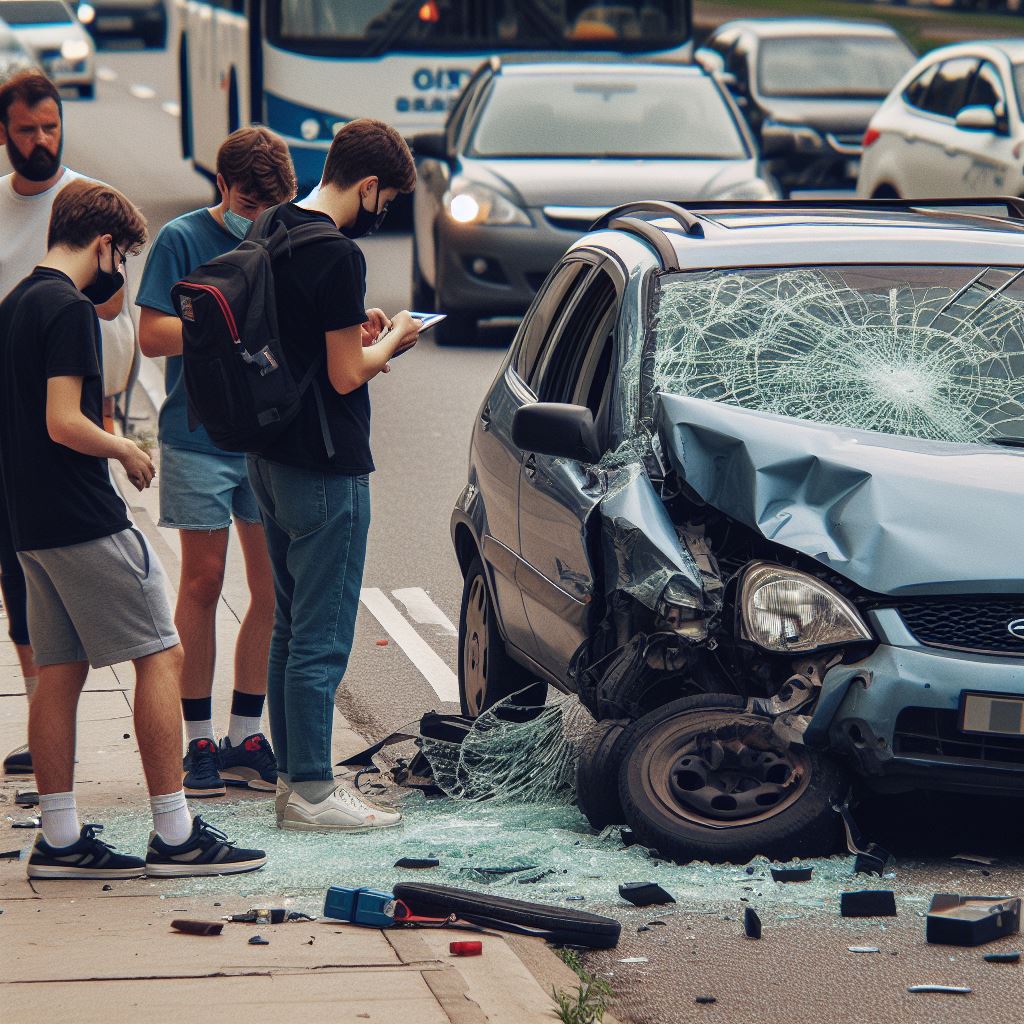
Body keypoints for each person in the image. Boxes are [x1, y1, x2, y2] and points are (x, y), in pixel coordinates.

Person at [0, 179, 266, 878]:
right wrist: (123, 448)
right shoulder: (66, 310)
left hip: (29, 522)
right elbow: (64, 418)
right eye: (123, 259)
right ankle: (175, 833)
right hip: (84, 516)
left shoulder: (15, 304)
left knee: (59, 672)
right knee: (160, 652)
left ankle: (59, 840)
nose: (121, 274)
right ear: (105, 246)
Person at [246, 118, 420, 831]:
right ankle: (315, 792)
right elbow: (347, 374)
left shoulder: (275, 227)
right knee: (321, 636)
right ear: (369, 186)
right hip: (326, 465)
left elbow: (306, 339)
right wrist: (397, 340)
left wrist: (357, 327)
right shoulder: (338, 255)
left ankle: (294, 780)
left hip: (269, 457)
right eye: (388, 201)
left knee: (290, 625)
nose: (384, 215)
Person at [137, 127, 296, 799]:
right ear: (224, 188)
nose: (256, 216)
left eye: (269, 204)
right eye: (248, 201)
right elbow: (150, 334)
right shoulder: (181, 239)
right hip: (198, 436)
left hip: (265, 438)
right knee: (202, 584)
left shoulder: (283, 235)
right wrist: (226, 329)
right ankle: (198, 741)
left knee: (270, 589)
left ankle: (244, 733)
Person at [0, 69, 137, 777]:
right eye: (27, 129)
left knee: (59, 642)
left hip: (78, 409)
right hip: (26, 425)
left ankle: (57, 815)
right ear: (4, 133)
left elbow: (115, 316)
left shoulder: (83, 204)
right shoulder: (5, 215)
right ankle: (170, 822)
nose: (42, 140)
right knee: (146, 645)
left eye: (51, 126)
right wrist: (122, 452)